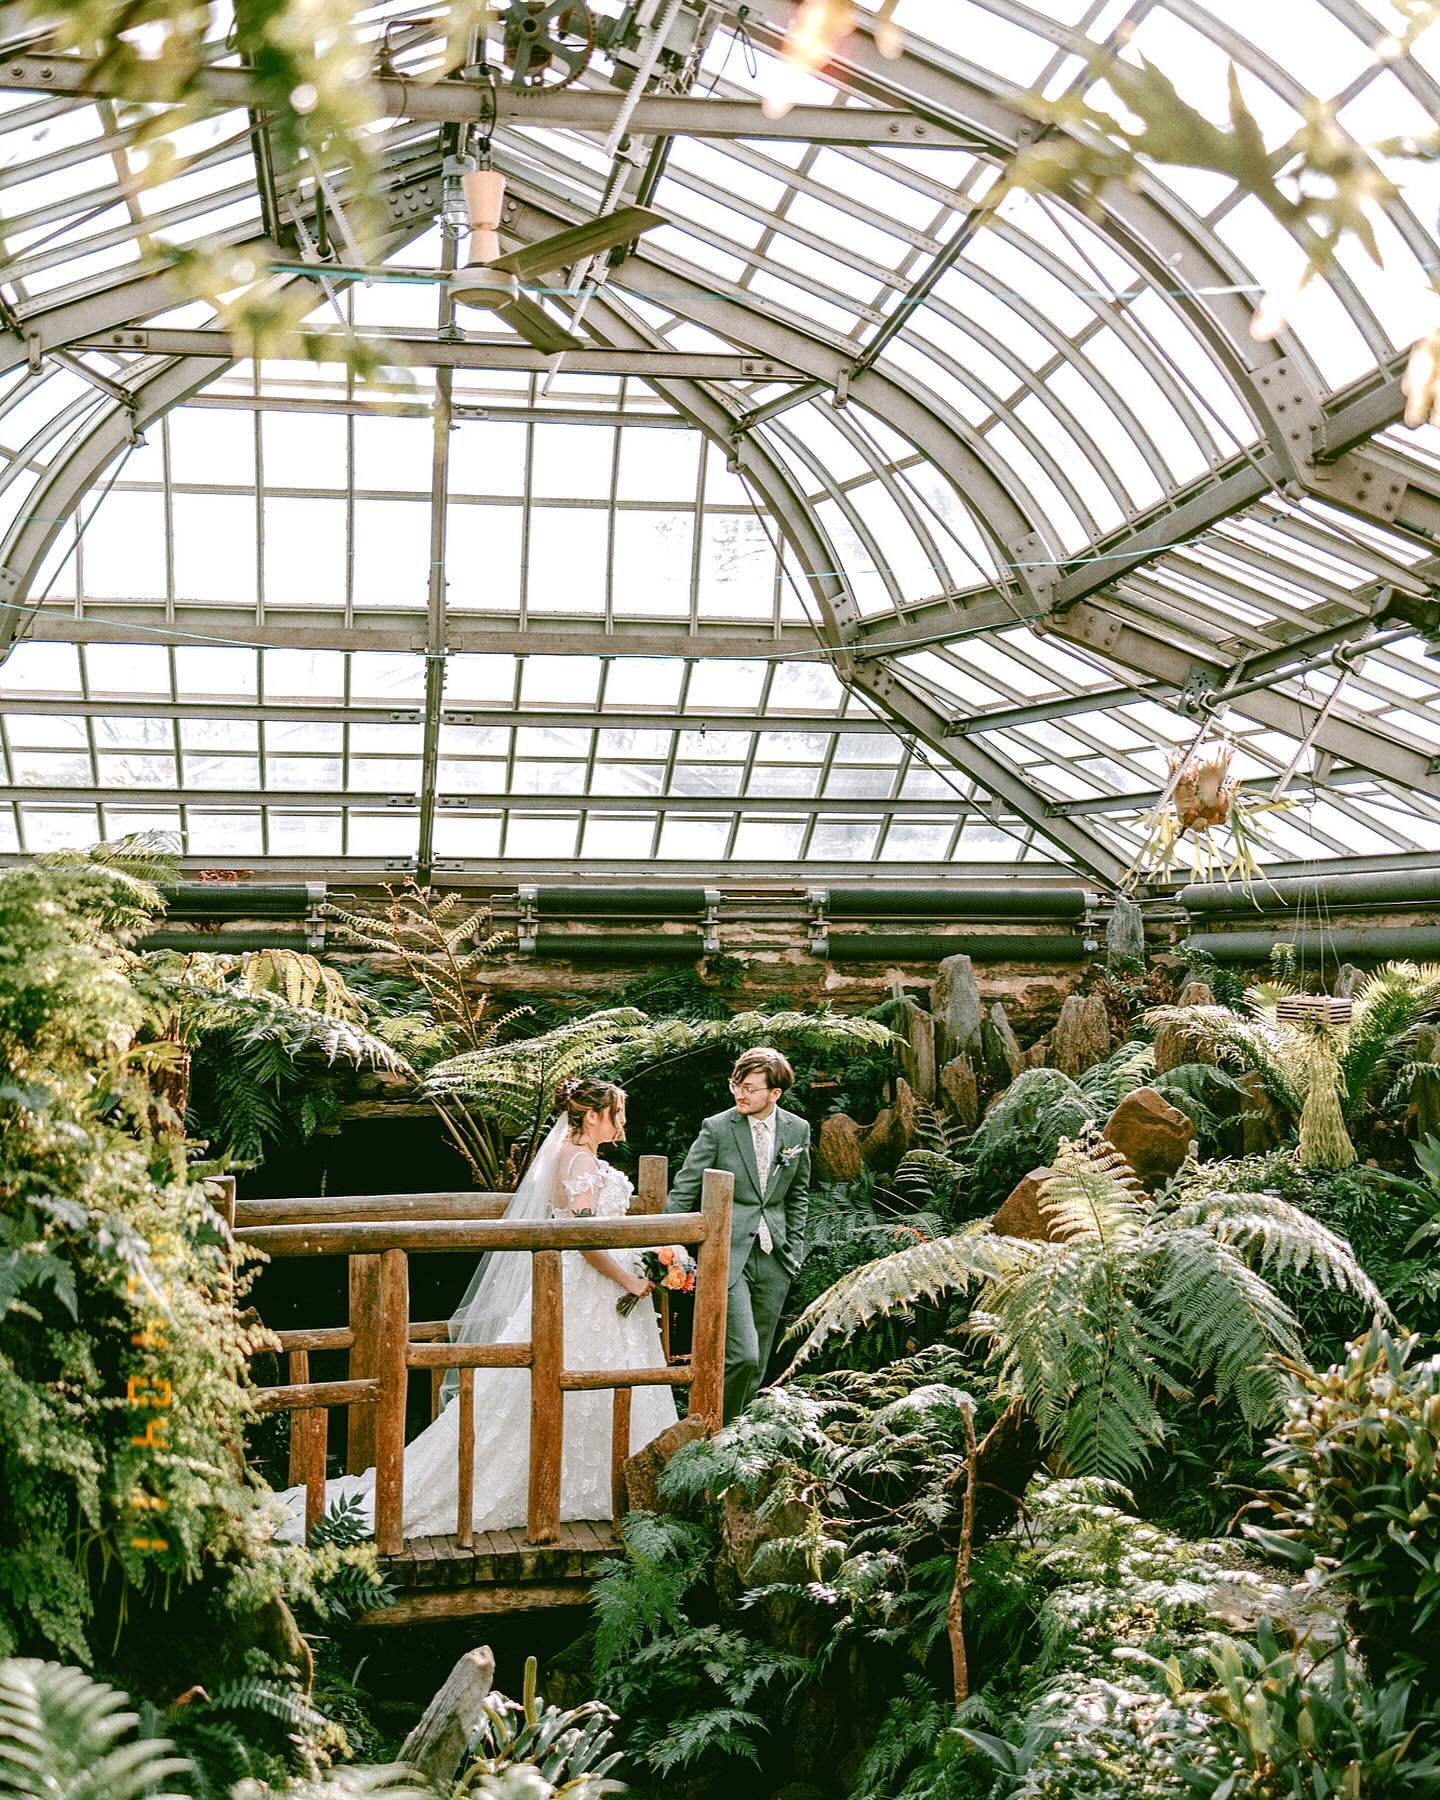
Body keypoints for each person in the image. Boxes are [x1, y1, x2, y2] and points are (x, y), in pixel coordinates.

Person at [271, 1076, 677, 1542]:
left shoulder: (572, 1155)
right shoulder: (580, 1159)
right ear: (592, 1115)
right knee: (571, 1378)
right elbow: (584, 1235)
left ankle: (587, 1485)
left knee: (591, 1382)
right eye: (616, 1113)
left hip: (595, 1289)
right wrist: (627, 1276)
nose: (622, 1122)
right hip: (590, 1287)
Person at [665, 1047, 811, 1424]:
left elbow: (798, 1192)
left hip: (775, 1257)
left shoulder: (798, 1129)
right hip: (726, 1255)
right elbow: (685, 1188)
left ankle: (739, 1440)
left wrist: (794, 1247)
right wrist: (666, 1241)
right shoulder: (717, 1128)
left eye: (748, 1088)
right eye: (736, 1085)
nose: (739, 1094)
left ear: (774, 1094)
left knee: (759, 1359)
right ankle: (718, 1431)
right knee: (742, 1355)